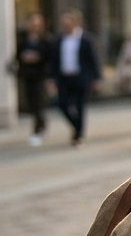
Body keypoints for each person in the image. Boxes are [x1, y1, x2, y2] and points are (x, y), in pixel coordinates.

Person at [49, 9, 101, 147]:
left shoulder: (86, 39)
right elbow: (54, 61)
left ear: (75, 21)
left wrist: (97, 78)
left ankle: (79, 135)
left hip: (80, 77)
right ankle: (76, 126)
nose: (65, 23)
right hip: (64, 78)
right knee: (62, 104)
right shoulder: (59, 40)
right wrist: (51, 78)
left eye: (68, 20)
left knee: (79, 106)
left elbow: (93, 60)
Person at [11, 13, 53, 146]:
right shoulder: (22, 38)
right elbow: (16, 55)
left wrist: (38, 57)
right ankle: (41, 122)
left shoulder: (45, 39)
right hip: (27, 75)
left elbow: (50, 58)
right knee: (30, 102)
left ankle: (38, 128)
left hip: (40, 76)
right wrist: (23, 57)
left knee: (38, 101)